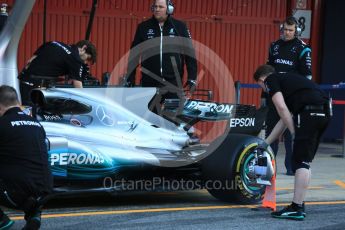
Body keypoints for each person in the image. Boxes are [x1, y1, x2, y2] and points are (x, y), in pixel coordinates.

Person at [254, 65, 330, 220]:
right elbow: (284, 117)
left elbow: (281, 108)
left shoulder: (271, 79)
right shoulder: (290, 81)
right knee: (305, 161)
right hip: (324, 112)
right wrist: (266, 143)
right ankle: (299, 202)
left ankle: (296, 207)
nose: (264, 89)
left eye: (260, 86)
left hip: (309, 113)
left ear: (262, 80)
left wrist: (294, 132)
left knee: (299, 161)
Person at [126, 0, 197, 110]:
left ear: (169, 9)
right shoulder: (143, 27)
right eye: (155, 7)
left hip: (173, 83)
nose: (157, 9)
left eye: (160, 7)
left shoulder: (180, 27)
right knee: (149, 118)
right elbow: (134, 54)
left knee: (172, 118)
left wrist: (192, 77)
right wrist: (130, 78)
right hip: (149, 82)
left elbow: (190, 54)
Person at [264, 16, 312, 175]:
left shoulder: (303, 48)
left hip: (292, 98)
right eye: (285, 29)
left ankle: (292, 168)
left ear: (296, 31)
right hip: (274, 96)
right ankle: (269, 167)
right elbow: (267, 73)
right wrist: (264, 95)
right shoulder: (274, 46)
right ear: (281, 30)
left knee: (292, 133)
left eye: (290, 30)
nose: (287, 33)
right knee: (271, 133)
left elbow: (307, 77)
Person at [0, 85, 52, 229]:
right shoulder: (37, 124)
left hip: (17, 192)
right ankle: (34, 214)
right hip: (45, 191)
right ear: (17, 102)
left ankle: (1, 221)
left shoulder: (2, 124)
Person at [18, 40, 97, 105]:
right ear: (84, 48)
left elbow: (30, 61)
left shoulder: (54, 43)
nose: (85, 62)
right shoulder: (75, 59)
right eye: (88, 58)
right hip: (36, 89)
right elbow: (78, 86)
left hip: (22, 80)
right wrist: (87, 103)